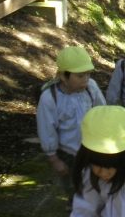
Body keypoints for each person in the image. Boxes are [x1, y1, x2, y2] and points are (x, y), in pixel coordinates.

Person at [36, 46, 106, 203]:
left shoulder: (91, 87)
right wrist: (54, 159)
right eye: (80, 76)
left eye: (88, 74)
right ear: (63, 76)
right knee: (74, 190)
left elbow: (102, 112)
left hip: (93, 149)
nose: (85, 80)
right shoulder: (49, 98)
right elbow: (47, 130)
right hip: (68, 154)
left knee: (98, 186)